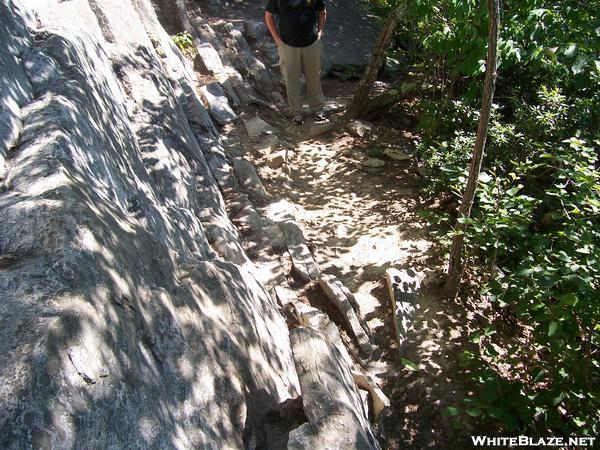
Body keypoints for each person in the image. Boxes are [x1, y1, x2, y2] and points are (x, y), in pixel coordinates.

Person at [265, 0, 327, 125]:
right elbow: (268, 16)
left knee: (314, 78)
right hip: (288, 46)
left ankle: (318, 109)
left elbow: (322, 12)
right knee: (291, 80)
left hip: (312, 44)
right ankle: (296, 113)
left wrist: (319, 32)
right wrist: (278, 41)